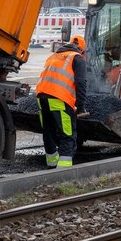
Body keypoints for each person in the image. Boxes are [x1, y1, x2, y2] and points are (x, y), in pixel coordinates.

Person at [37, 35, 88, 168]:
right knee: (67, 133)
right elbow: (81, 83)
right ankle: (64, 168)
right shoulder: (77, 58)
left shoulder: (54, 55)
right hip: (60, 99)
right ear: (81, 49)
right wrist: (80, 107)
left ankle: (51, 162)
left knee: (48, 130)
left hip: (41, 97)